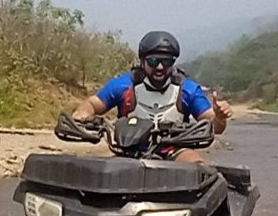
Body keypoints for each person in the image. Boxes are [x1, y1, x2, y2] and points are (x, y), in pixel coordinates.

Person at [72, 30, 233, 162]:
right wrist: (83, 114)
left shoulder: (188, 89)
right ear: (143, 61)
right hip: (129, 151)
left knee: (201, 172)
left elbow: (214, 126)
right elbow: (93, 104)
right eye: (154, 61)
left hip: (175, 151)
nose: (160, 67)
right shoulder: (123, 85)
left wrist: (220, 116)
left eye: (167, 61)